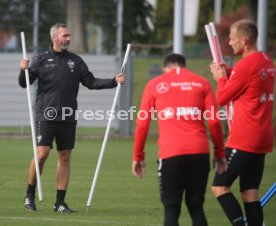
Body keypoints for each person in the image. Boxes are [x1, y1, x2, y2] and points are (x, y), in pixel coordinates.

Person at [19, 23, 125, 213]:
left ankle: (59, 202)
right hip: (46, 114)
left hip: (68, 116)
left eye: (69, 35)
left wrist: (113, 81)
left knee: (65, 156)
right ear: (55, 38)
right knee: (42, 154)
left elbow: (90, 82)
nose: (69, 38)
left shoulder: (75, 61)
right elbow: (23, 84)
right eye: (65, 35)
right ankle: (29, 195)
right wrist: (23, 70)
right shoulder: (40, 59)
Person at [132, 53, 227, 226]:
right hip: (199, 152)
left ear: (164, 68)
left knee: (171, 207)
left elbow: (142, 124)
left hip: (171, 153)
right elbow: (214, 121)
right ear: (185, 66)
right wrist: (220, 153)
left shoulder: (155, 84)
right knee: (196, 206)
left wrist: (138, 157)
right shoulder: (202, 83)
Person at [210, 19, 275, 226]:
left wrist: (221, 77)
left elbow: (222, 98)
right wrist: (229, 73)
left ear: (244, 40)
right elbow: (249, 82)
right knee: (250, 193)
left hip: (244, 137)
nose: (229, 43)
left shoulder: (246, 64)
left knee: (219, 187)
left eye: (231, 39)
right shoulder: (266, 60)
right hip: (262, 136)